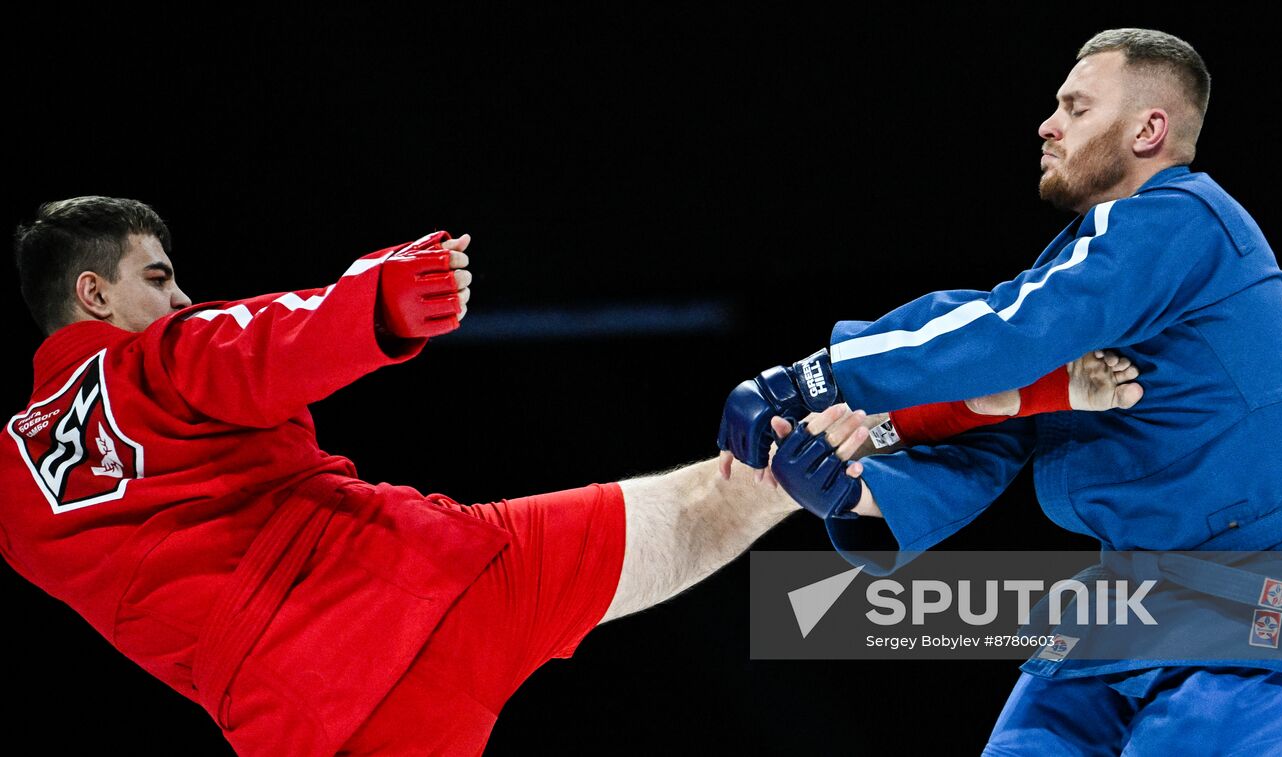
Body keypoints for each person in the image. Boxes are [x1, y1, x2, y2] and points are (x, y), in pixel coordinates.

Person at [1, 196, 1135, 756]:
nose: (180, 297)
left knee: (746, 484)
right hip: (427, 581)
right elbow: (248, 342)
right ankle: (1032, 392)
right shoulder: (155, 362)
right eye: (157, 278)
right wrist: (378, 301)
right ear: (94, 299)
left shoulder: (17, 510)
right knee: (740, 485)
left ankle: (1016, 399)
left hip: (317, 729)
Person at [718, 28, 1282, 754]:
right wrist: (850, 491)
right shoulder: (1084, 270)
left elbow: (1007, 332)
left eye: (1076, 106)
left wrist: (810, 377)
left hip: (1266, 596)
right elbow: (991, 427)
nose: (1048, 123)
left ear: (1148, 129)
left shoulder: (1188, 220)